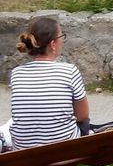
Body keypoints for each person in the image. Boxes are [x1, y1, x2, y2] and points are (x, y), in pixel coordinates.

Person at [7, 16, 89, 150]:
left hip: (23, 155)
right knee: (84, 124)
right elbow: (83, 115)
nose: (63, 40)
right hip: (64, 154)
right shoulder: (69, 71)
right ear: (52, 44)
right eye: (61, 36)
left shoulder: (16, 73)